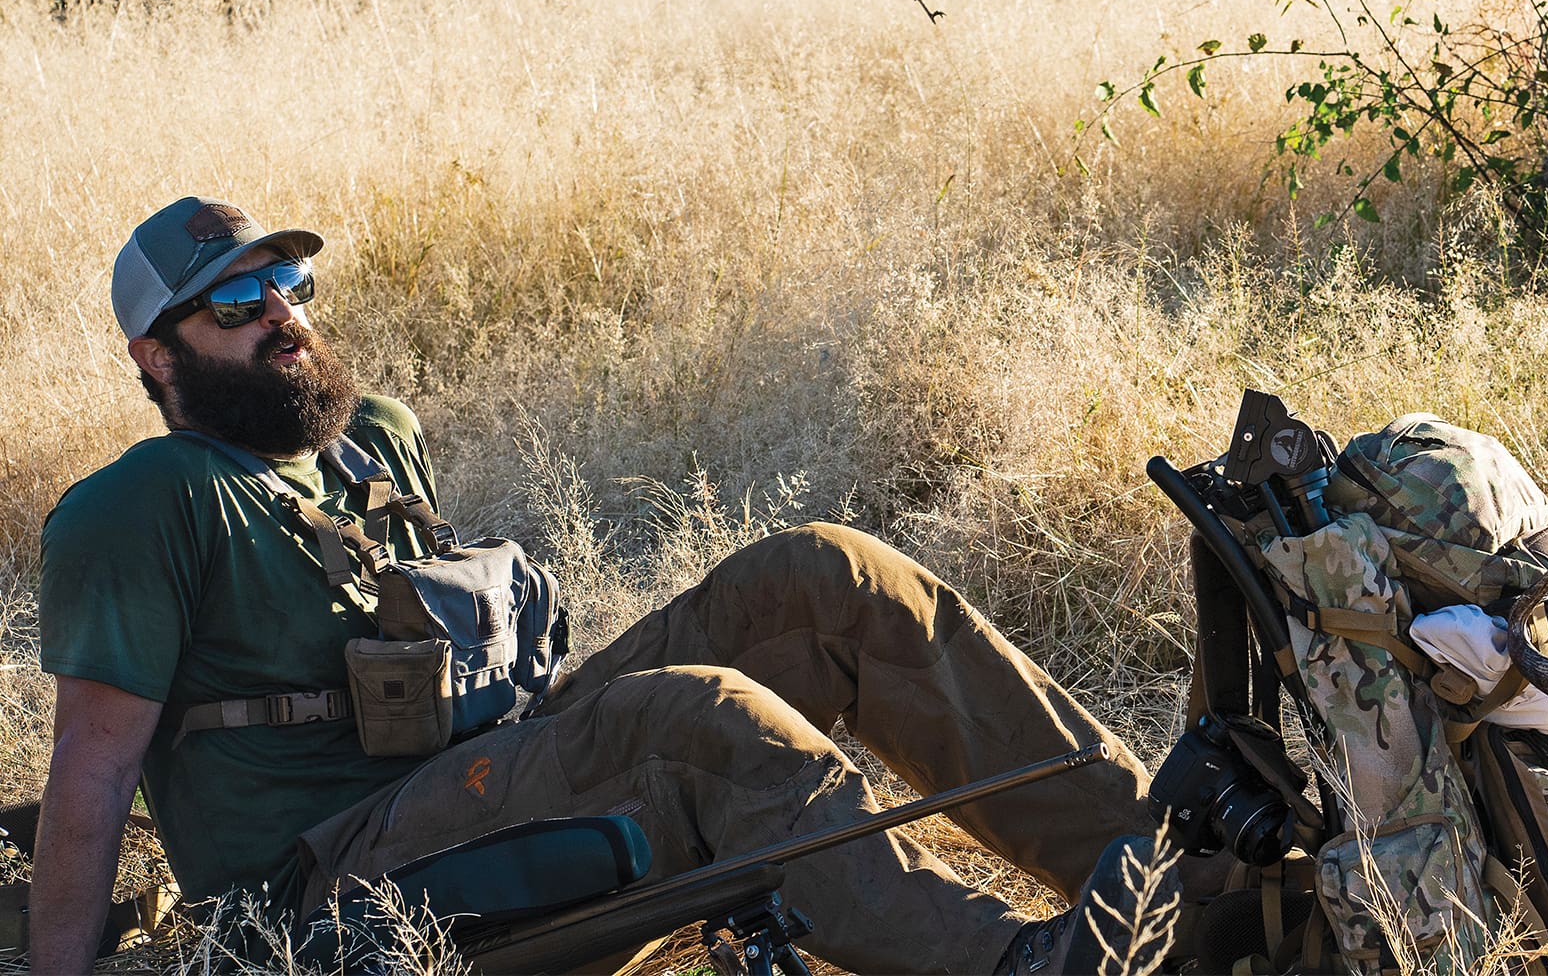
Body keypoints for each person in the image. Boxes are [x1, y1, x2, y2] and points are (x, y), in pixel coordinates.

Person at [30, 197, 1189, 975]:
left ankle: (1179, 879)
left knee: (827, 574)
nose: (282, 313)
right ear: (156, 353)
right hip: (323, 884)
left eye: (285, 283)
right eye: (235, 303)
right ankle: (1036, 963)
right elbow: (93, 768)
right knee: (692, 723)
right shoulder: (144, 504)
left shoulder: (370, 438)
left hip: (480, 770)